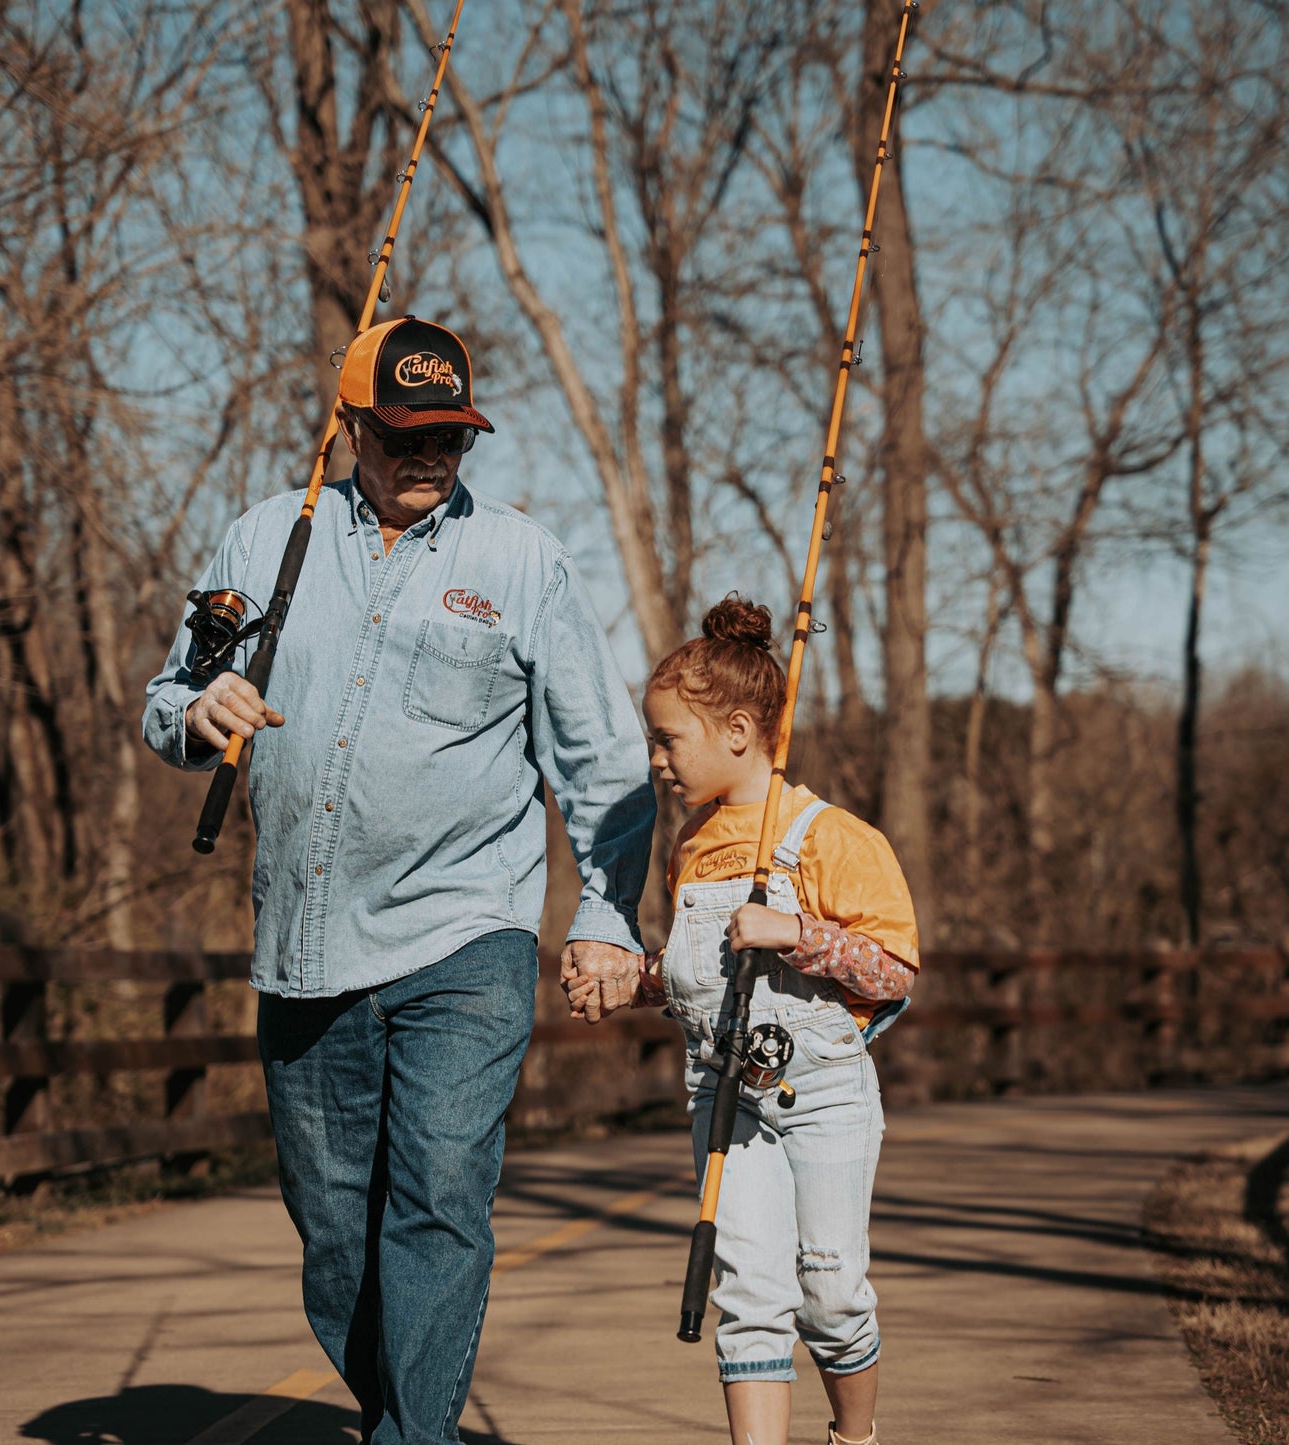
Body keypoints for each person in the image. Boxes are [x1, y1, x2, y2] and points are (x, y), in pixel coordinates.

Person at [143, 315, 654, 1445]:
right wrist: (197, 710)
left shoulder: (522, 560)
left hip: (465, 930)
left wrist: (607, 917)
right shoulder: (264, 539)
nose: (429, 455)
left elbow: (601, 761)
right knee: (334, 1234)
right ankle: (398, 1412)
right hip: (305, 939)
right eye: (404, 432)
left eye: (452, 437)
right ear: (351, 425)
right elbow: (167, 700)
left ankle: (410, 1438)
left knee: (437, 1197)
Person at [569, 594, 919, 1445]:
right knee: (750, 1295)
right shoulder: (690, 844)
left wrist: (798, 932)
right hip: (727, 1098)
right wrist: (633, 978)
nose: (655, 760)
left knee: (830, 1292)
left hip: (825, 1096)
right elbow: (708, 974)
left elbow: (895, 970)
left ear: (734, 729)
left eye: (667, 739)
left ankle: (854, 1437)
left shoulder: (832, 835)